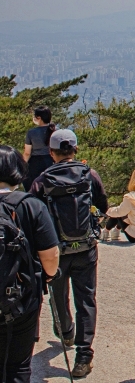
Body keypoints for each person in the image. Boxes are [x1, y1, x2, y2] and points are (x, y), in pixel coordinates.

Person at [30, 129, 107, 379]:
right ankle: (84, 356)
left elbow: (34, 215)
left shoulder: (42, 180)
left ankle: (65, 331)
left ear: (51, 153)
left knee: (58, 294)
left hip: (56, 250)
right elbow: (103, 205)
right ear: (75, 150)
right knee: (86, 300)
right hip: (86, 249)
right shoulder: (89, 174)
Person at [0, 146, 60, 383]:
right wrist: (48, 276)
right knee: (17, 365)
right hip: (21, 297)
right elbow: (50, 255)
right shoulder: (31, 205)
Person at [101, 166, 135, 243]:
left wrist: (107, 211)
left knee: (119, 212)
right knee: (125, 212)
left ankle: (106, 231)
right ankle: (115, 232)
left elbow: (119, 212)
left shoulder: (130, 197)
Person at [22, 106, 55, 192]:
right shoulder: (55, 130)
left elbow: (27, 153)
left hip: (35, 163)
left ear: (39, 118)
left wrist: (22, 165)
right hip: (51, 161)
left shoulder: (32, 132)